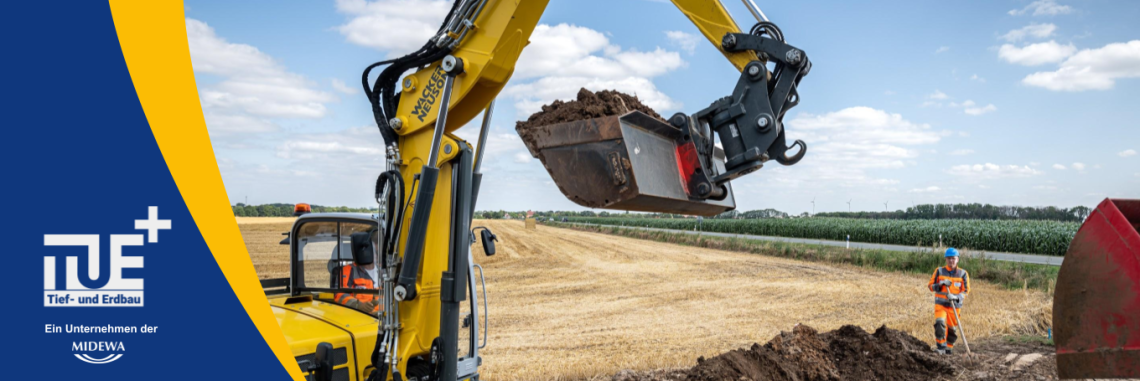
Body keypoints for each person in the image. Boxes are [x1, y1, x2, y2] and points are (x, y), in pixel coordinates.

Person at [927, 247, 970, 354]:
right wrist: (940, 284)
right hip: (941, 305)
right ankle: (941, 347)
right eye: (949, 258)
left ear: (957, 259)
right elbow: (930, 286)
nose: (951, 261)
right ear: (946, 259)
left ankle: (948, 348)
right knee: (940, 323)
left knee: (952, 329)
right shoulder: (939, 271)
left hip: (955, 306)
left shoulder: (963, 274)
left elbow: (966, 291)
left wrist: (956, 297)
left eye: (953, 258)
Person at [335, 232, 382, 314]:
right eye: (373, 250)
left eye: (377, 251)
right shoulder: (348, 271)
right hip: (359, 318)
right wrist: (358, 305)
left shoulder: (385, 272)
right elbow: (339, 295)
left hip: (384, 320)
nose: (376, 254)